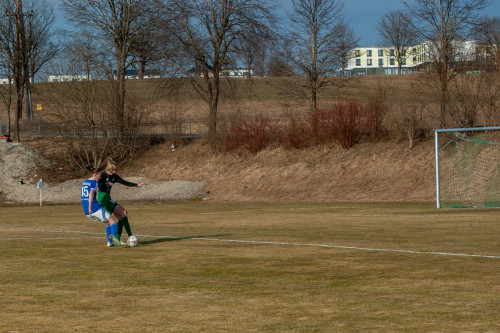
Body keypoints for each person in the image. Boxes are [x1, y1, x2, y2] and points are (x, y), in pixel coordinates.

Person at [97, 158, 146, 245]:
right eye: (113, 170)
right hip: (103, 199)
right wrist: (106, 184)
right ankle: (129, 236)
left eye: (115, 170)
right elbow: (99, 186)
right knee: (123, 212)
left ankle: (114, 240)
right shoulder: (103, 175)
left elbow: (124, 182)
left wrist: (137, 185)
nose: (114, 171)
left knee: (120, 217)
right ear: (108, 169)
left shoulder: (114, 177)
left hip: (107, 198)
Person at [81, 170, 121, 247]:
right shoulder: (94, 183)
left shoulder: (85, 182)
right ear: (95, 174)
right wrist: (90, 207)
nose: (100, 178)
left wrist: (88, 208)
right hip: (94, 207)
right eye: (99, 176)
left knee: (108, 222)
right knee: (114, 223)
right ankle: (114, 239)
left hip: (86, 210)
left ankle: (109, 243)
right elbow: (91, 193)